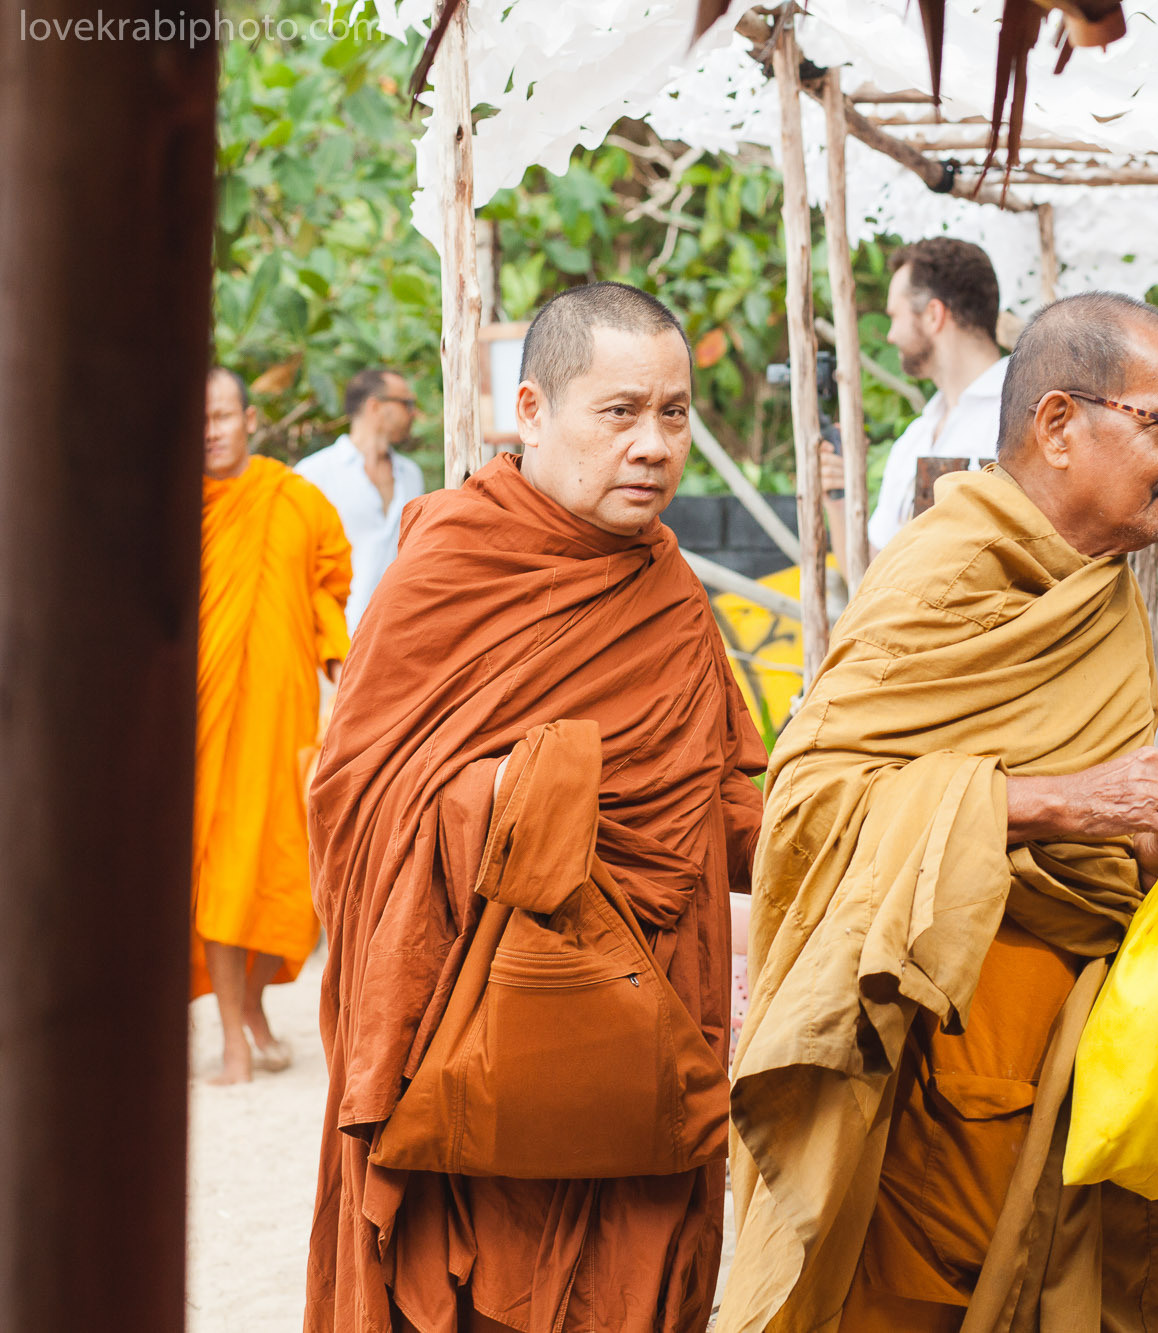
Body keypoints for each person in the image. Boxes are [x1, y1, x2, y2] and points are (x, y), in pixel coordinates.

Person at [724, 292, 1158, 1333]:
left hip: (1074, 1062)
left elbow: (1084, 812)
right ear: (1055, 424)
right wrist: (1060, 803)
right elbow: (812, 803)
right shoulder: (946, 567)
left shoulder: (1099, 584)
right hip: (935, 1074)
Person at [305, 282, 764, 1333]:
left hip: (644, 1051)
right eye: (618, 412)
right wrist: (505, 803)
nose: (652, 444)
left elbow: (716, 801)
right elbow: (355, 801)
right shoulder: (452, 563)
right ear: (530, 412)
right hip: (484, 1053)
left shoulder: (667, 587)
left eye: (675, 413)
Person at [194, 366, 352, 1084]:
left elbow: (328, 587)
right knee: (222, 876)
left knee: (284, 878)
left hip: (282, 714)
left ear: (249, 418)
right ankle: (232, 1037)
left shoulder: (293, 499)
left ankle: (253, 1007)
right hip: (206, 724)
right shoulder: (171, 508)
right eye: (198, 419)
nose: (211, 430)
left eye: (222, 415)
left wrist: (339, 662)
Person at [820, 238, 1008, 563]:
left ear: (933, 315)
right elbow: (870, 574)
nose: (890, 335)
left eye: (895, 316)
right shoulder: (916, 437)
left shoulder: (1023, 415)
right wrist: (839, 499)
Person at [295, 368, 426, 636]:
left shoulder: (411, 475)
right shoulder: (312, 474)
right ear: (375, 406)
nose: (413, 413)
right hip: (334, 640)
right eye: (406, 403)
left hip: (398, 637)